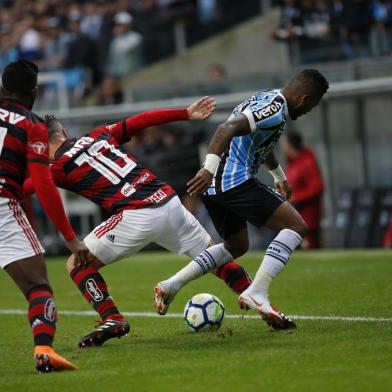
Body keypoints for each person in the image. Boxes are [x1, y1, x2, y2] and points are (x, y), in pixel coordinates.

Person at [23, 97, 252, 347]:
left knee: (77, 265)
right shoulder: (100, 135)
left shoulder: (55, 168)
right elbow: (140, 120)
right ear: (64, 132)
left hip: (136, 215)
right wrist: (185, 113)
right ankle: (258, 298)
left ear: (39, 148)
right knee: (213, 258)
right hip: (169, 201)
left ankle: (112, 318)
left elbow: (22, 190)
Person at [186, 69, 329, 329]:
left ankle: (170, 285)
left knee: (236, 246)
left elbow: (260, 144)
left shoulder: (271, 99)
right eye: (312, 106)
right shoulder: (275, 109)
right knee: (296, 226)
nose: (309, 111)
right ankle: (257, 291)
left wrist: (278, 175)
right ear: (304, 98)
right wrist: (208, 169)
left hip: (222, 182)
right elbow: (225, 127)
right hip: (233, 180)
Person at [0, 60, 90, 372]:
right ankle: (44, 350)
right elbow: (43, 183)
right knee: (38, 286)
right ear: (33, 91)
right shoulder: (32, 124)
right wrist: (70, 238)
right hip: (2, 207)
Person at [281, 131, 324, 249]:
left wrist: (296, 198)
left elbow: (317, 187)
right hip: (294, 215)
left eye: (284, 144)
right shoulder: (291, 163)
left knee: (310, 248)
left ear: (290, 145)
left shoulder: (306, 161)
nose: (282, 147)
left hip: (307, 216)